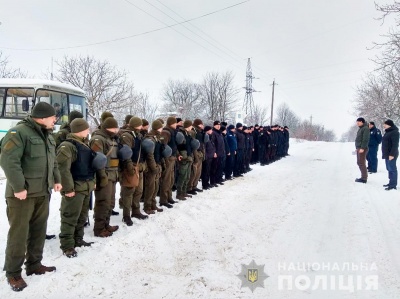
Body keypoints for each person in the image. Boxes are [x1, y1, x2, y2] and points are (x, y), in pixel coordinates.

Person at [0, 102, 62, 292]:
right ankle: (13, 273)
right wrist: (18, 187)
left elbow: (53, 162)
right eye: (53, 117)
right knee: (19, 234)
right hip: (22, 196)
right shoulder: (19, 133)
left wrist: (57, 179)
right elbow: (9, 161)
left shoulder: (47, 135)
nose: (55, 121)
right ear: (42, 117)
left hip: (43, 192)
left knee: (38, 231)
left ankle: (34, 265)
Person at [56, 118, 99, 257]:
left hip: (86, 186)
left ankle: (78, 239)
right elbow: (63, 169)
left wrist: (93, 182)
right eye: (86, 128)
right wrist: (68, 189)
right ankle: (67, 245)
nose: (88, 131)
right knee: (70, 217)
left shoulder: (84, 144)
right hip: (75, 188)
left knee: (82, 216)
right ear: (80, 130)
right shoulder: (67, 146)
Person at [90, 117, 121, 237]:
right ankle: (99, 228)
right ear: (108, 128)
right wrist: (102, 176)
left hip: (112, 174)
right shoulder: (98, 139)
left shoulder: (111, 138)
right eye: (114, 128)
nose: (116, 130)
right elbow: (97, 160)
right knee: (103, 202)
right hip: (104, 175)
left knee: (110, 203)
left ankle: (106, 224)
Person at [381, 119, 399, 190]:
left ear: (389, 125)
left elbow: (395, 145)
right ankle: (390, 182)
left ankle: (393, 185)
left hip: (391, 154)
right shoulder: (387, 132)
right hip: (387, 154)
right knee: (389, 169)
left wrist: (392, 154)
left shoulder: (395, 132)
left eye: (385, 124)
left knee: (392, 169)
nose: (384, 125)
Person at [355, 117, 370, 183]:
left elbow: (365, 139)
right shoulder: (361, 129)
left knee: (361, 163)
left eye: (358, 122)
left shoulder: (365, 129)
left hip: (362, 148)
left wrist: (362, 148)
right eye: (357, 122)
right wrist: (357, 148)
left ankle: (364, 178)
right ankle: (363, 177)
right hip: (359, 148)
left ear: (362, 122)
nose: (357, 123)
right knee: (359, 162)